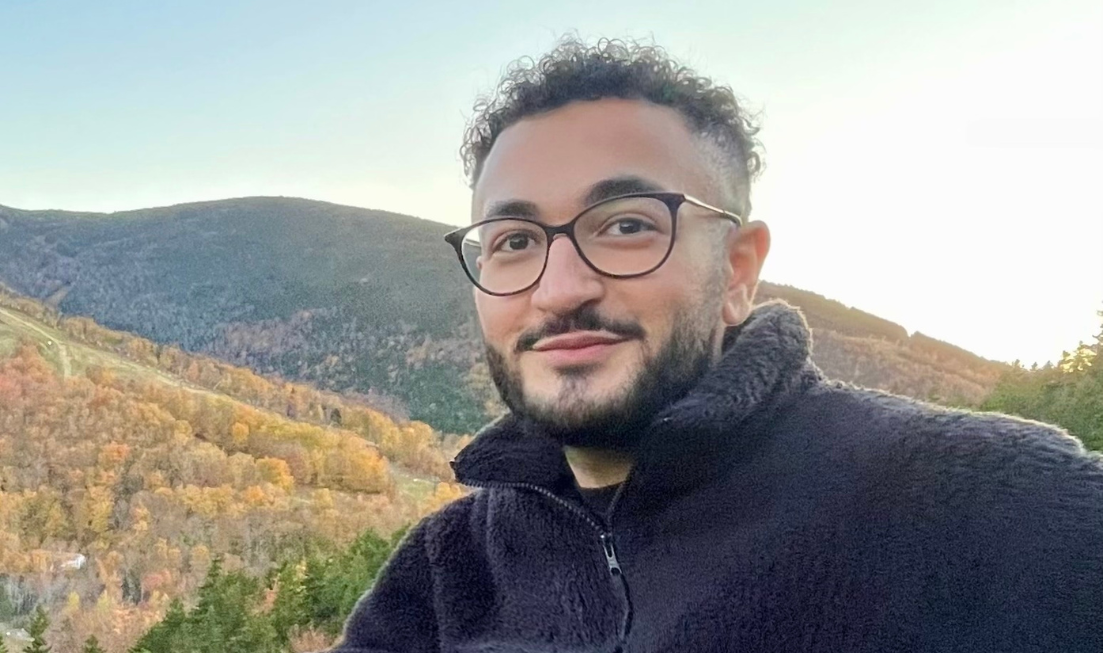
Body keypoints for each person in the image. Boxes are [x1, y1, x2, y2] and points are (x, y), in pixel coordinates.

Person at [332, 38, 1103, 652]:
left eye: (627, 224)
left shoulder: (988, 505)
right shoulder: (445, 574)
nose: (558, 287)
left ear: (737, 270)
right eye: (512, 240)